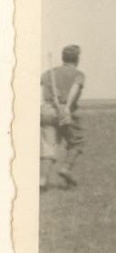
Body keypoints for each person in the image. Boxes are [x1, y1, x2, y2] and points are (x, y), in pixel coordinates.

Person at [40, 45, 86, 190]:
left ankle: (42, 180)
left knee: (48, 148)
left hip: (46, 112)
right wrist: (66, 108)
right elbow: (75, 88)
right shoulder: (78, 74)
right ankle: (65, 168)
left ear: (63, 58)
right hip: (65, 113)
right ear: (77, 59)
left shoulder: (48, 73)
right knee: (77, 142)